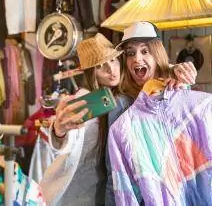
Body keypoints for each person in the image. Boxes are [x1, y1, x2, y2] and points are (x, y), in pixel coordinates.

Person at [39, 25, 197, 205]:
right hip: (87, 193)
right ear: (92, 74)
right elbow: (71, 135)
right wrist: (59, 131)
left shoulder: (159, 89)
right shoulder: (99, 100)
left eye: (113, 60)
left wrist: (177, 71)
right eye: (99, 66)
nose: (110, 69)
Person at [108, 21, 212, 205]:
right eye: (130, 53)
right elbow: (116, 174)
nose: (137, 59)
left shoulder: (183, 91)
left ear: (157, 53)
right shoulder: (121, 108)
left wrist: (180, 79)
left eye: (145, 51)